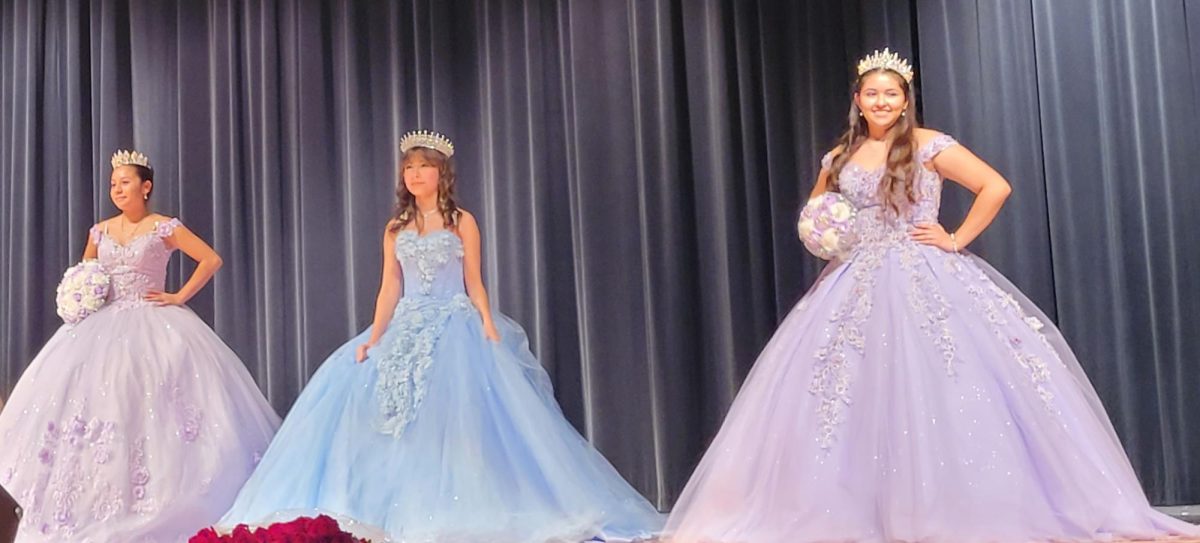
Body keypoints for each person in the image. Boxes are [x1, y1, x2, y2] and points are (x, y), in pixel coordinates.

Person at [663, 49, 1200, 543]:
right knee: (843, 390)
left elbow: (995, 185)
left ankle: (957, 507)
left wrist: (955, 237)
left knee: (940, 381)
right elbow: (816, 213)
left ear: (904, 100)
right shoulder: (839, 156)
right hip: (852, 281)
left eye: (890, 94)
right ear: (857, 99)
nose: (881, 102)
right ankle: (850, 506)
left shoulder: (927, 145)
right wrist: (825, 233)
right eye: (871, 93)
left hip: (923, 271)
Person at [219, 131, 664, 542]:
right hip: (406, 324)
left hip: (453, 324)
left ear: (441, 173)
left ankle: (465, 504)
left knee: (457, 416)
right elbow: (390, 285)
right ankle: (390, 507)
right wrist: (375, 336)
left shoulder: (460, 221)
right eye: (408, 168)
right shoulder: (396, 227)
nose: (414, 175)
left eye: (423, 167)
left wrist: (488, 323)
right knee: (388, 414)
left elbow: (474, 279)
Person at [0, 150, 280, 542]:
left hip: (153, 322)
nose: (117, 189)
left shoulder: (163, 227)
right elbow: (85, 275)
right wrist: (80, 298)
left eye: (125, 182)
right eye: (113, 184)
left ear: (145, 187)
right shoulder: (99, 231)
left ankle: (163, 498)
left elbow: (210, 258)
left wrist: (179, 295)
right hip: (100, 327)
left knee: (155, 403)